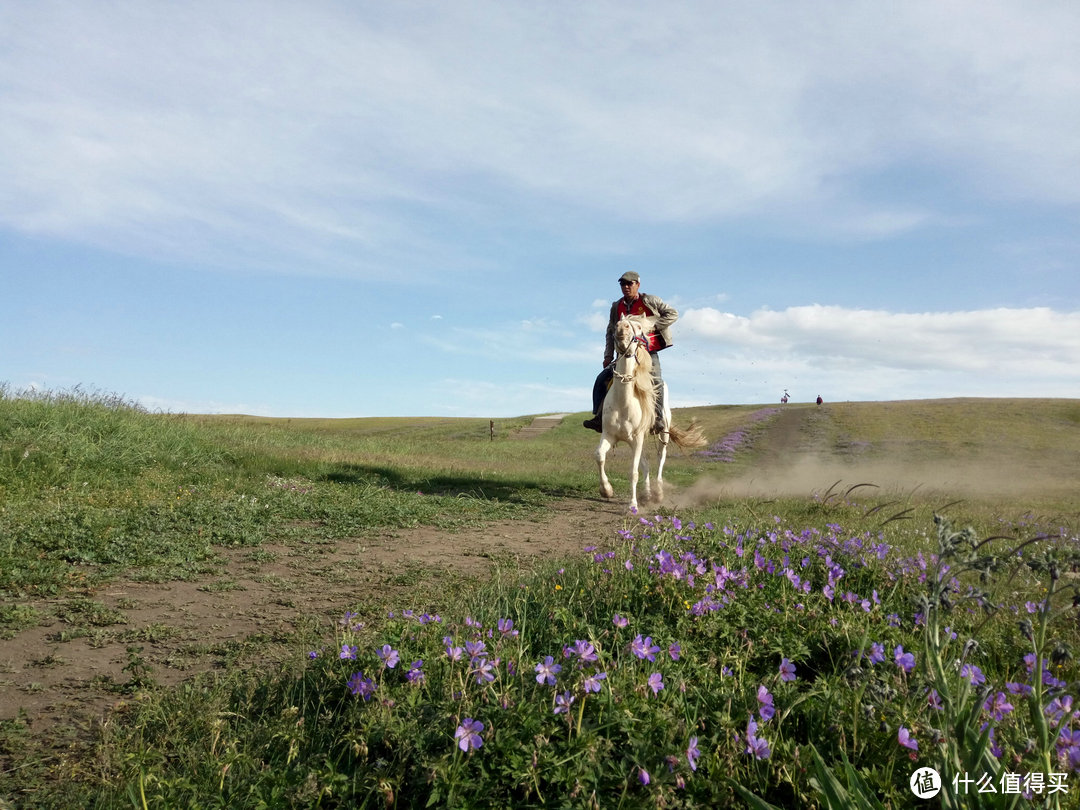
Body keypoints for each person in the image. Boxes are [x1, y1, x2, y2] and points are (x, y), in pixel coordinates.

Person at [582, 271, 678, 433]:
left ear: (637, 285)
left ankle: (658, 418)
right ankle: (599, 418)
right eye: (623, 284)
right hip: (624, 354)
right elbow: (610, 331)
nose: (626, 287)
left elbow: (672, 314)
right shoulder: (616, 306)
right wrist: (608, 355)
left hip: (647, 351)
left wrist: (652, 327)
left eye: (630, 284)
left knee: (657, 381)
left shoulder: (649, 300)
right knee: (601, 379)